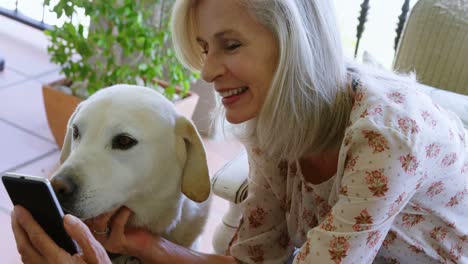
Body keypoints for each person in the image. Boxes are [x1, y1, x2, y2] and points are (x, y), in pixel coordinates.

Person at [11, 0, 468, 263]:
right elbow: (252, 262)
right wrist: (146, 245)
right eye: (205, 47)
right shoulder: (272, 123)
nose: (207, 71)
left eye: (230, 45)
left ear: (296, 43)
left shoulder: (386, 141)